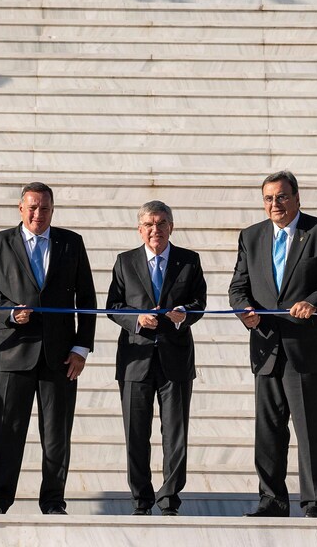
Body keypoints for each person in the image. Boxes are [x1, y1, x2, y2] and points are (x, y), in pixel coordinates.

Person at [228, 171, 317, 518]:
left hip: (309, 349)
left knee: (311, 430)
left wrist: (314, 301)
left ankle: (315, 502)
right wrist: (244, 311)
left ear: (297, 198)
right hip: (267, 347)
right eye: (269, 199)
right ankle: (272, 499)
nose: (275, 204)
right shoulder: (251, 236)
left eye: (282, 197)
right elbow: (238, 286)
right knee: (267, 431)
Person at [0, 182, 97, 515]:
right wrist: (11, 312)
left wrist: (82, 347)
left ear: (52, 210)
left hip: (60, 357)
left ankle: (54, 501)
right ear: (20, 208)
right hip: (13, 353)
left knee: (57, 434)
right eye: (31, 207)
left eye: (44, 208)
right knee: (5, 431)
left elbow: (86, 299)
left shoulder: (72, 243)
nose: (37, 214)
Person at [106, 201, 207, 516]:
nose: (155, 230)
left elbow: (199, 302)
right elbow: (113, 306)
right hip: (135, 360)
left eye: (162, 223)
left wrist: (182, 315)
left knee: (175, 434)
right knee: (136, 434)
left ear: (171, 227)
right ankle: (141, 500)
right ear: (140, 229)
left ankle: (169, 499)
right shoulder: (125, 262)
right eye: (149, 224)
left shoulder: (189, 261)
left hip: (175, 358)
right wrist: (137, 320)